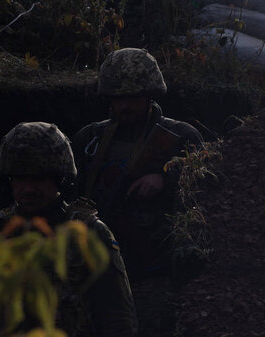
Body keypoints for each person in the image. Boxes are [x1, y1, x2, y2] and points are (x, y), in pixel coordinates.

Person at [0, 121, 138, 337]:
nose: (28, 189)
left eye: (39, 178)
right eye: (20, 178)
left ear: (59, 179)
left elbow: (118, 318)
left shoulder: (90, 234)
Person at [72, 48, 204, 281]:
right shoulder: (90, 139)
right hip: (95, 260)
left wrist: (165, 177)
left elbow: (204, 187)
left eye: (133, 97)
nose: (125, 106)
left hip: (153, 264)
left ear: (149, 95)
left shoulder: (179, 136)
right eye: (118, 98)